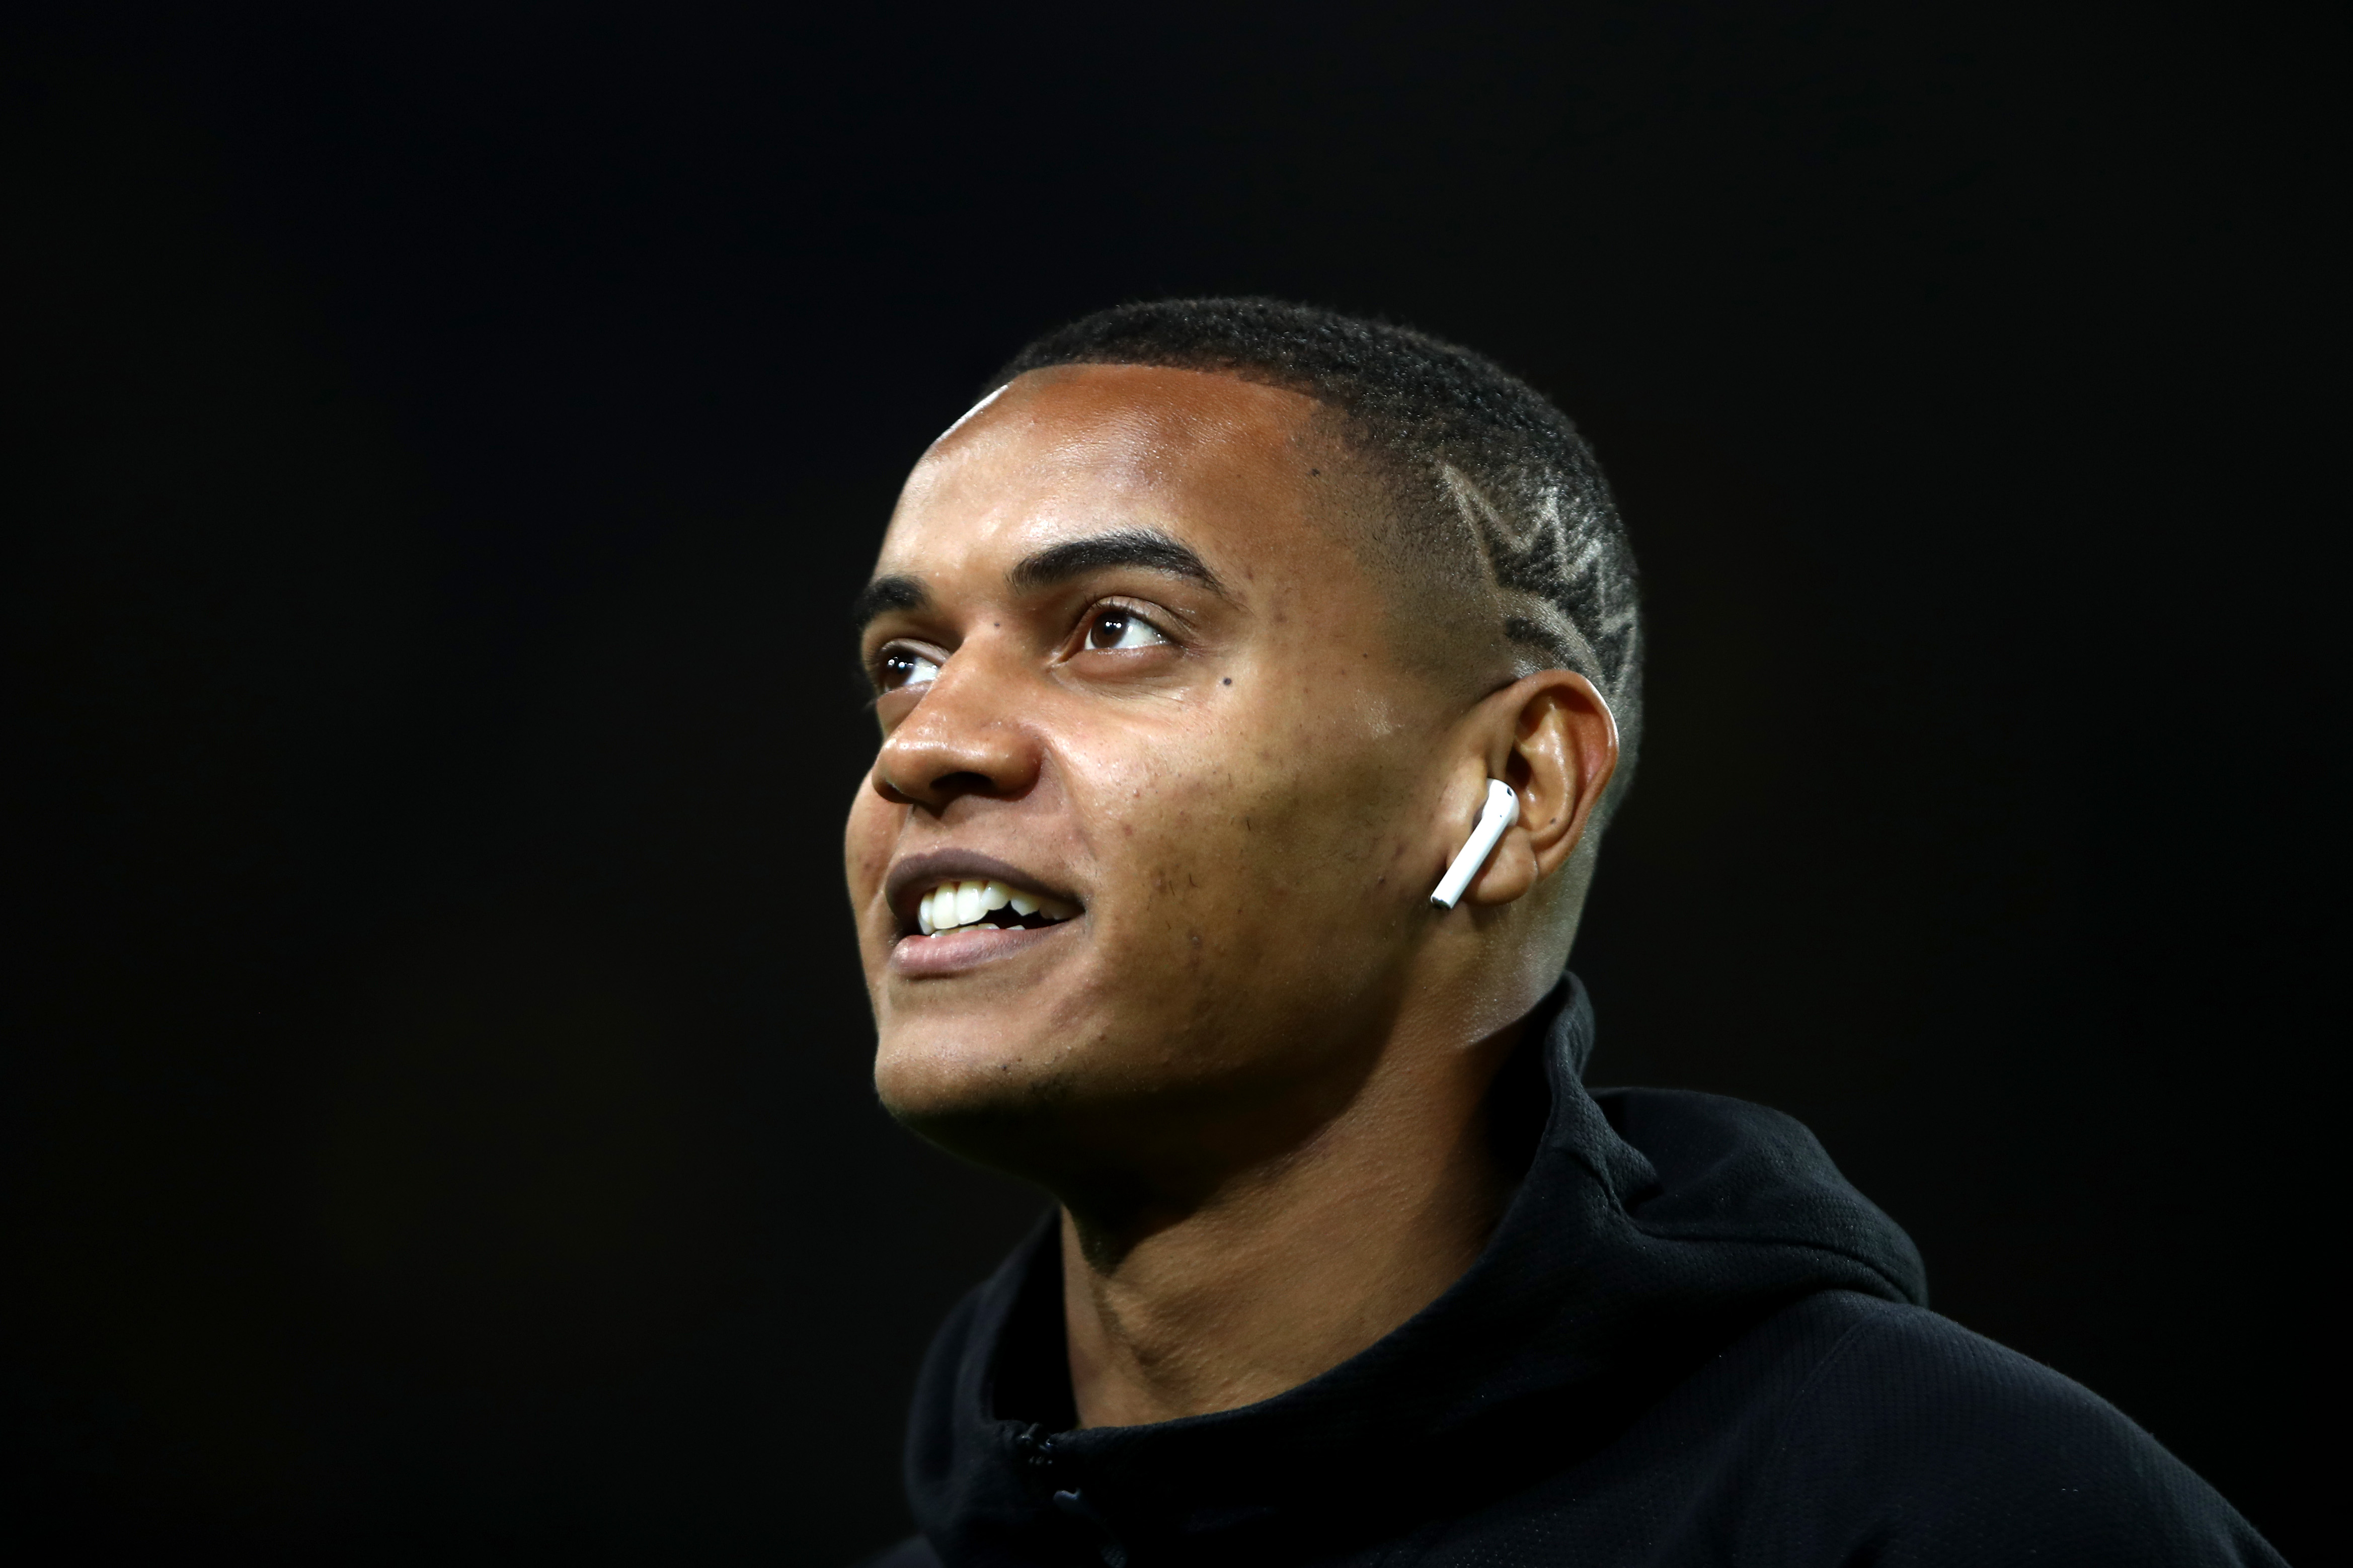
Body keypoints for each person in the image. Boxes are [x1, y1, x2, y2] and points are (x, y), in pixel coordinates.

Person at [842, 299, 2278, 1567]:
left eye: (1116, 629)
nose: (926, 748)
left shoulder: (1969, 1519)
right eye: (905, 664)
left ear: (1517, 784)